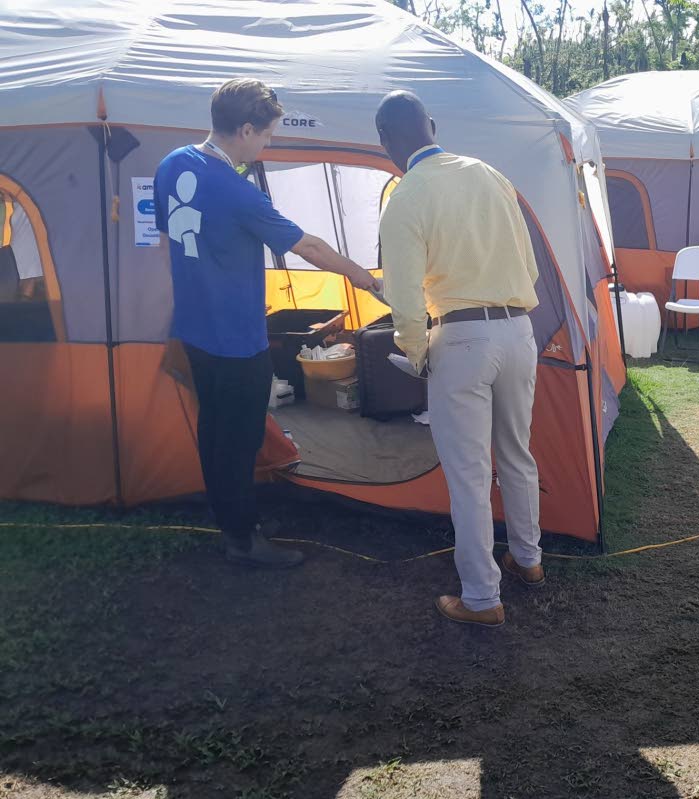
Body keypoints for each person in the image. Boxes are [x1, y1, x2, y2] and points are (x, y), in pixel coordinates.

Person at [154, 78, 380, 569]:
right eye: (266, 136)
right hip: (235, 339)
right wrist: (368, 281)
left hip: (193, 330)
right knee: (238, 439)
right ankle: (242, 540)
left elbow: (165, 238)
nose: (268, 145)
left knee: (213, 429)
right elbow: (311, 248)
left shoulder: (172, 164)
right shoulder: (238, 192)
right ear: (246, 128)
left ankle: (232, 518)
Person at [375, 90, 545, 628]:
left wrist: (419, 353)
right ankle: (530, 558)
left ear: (386, 145)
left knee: (470, 476)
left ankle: (481, 598)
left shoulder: (404, 198)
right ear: (431, 124)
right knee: (517, 454)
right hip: (519, 329)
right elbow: (531, 266)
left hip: (461, 337)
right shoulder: (490, 175)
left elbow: (405, 302)